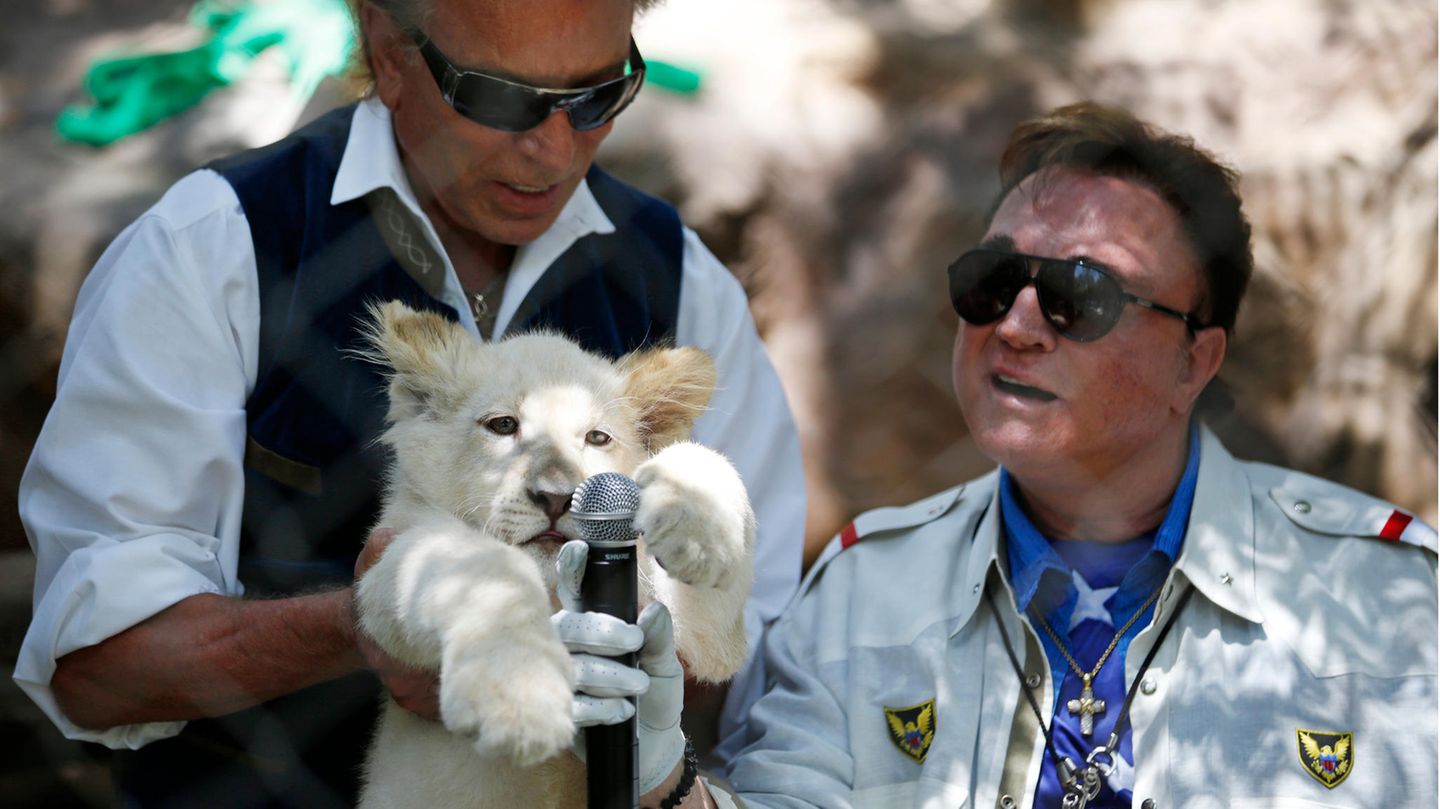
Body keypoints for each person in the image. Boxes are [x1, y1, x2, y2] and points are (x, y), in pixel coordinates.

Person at [13, 0, 804, 806]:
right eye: (501, 97)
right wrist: (376, 623)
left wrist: (639, 619)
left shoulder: (682, 280)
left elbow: (759, 662)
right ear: (388, 51)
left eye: (596, 95)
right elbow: (95, 670)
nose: (554, 147)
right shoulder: (212, 245)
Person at [687, 102, 1434, 807]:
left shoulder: (1387, 595)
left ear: (1195, 362)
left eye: (1082, 293)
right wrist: (655, 757)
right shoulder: (858, 597)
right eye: (994, 280)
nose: (1016, 325)